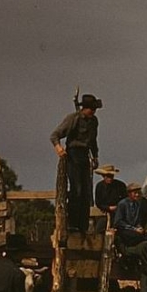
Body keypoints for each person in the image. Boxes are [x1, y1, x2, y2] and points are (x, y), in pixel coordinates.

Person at [50, 93, 101, 232]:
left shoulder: (94, 121)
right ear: (85, 108)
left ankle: (83, 225)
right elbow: (55, 135)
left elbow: (93, 140)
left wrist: (95, 156)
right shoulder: (73, 118)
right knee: (76, 190)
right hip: (73, 154)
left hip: (85, 155)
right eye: (91, 109)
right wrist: (59, 148)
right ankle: (73, 224)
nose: (93, 111)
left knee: (86, 191)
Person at [114, 183, 147, 248]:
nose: (137, 195)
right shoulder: (122, 204)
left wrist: (139, 226)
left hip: (135, 229)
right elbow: (118, 222)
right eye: (135, 193)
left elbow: (138, 219)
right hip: (124, 229)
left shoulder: (138, 204)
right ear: (129, 194)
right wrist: (134, 229)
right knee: (136, 237)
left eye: (138, 193)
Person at [93, 164, 127, 231]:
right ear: (103, 176)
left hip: (119, 213)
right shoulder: (99, 186)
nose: (110, 178)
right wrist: (108, 208)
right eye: (107, 176)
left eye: (111, 176)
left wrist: (117, 207)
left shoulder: (120, 185)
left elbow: (125, 200)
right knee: (99, 229)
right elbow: (98, 202)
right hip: (104, 213)